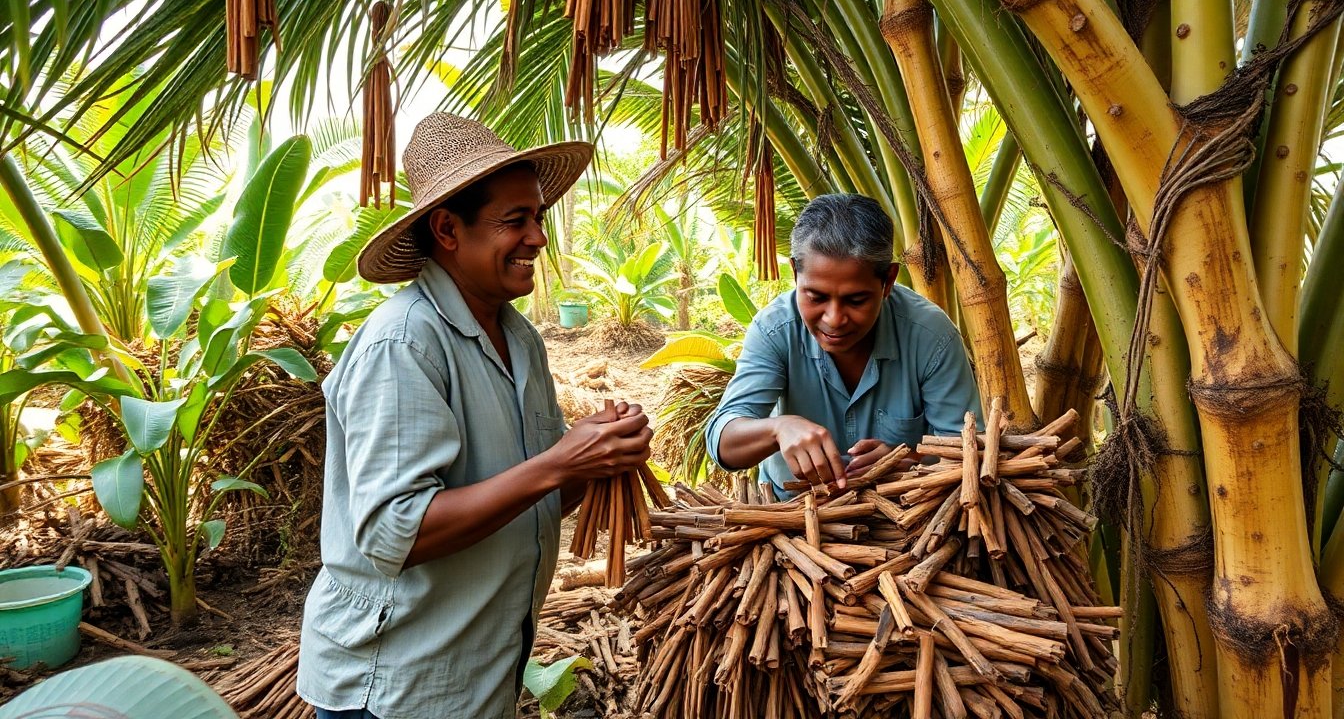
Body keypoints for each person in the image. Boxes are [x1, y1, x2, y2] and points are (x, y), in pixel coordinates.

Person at [297, 112, 653, 719]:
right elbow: (395, 533)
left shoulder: (520, 341)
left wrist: (592, 461)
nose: (538, 237)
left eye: (537, 218)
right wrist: (559, 463)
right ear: (447, 230)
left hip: (476, 677)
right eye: (514, 221)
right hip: (396, 687)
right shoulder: (404, 345)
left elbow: (528, 498)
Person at [705, 193, 981, 497]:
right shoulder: (774, 330)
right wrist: (778, 429)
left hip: (906, 516)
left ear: (888, 281)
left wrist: (910, 461)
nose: (834, 319)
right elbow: (723, 442)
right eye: (817, 297)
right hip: (794, 517)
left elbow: (968, 451)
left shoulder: (931, 336)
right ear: (795, 273)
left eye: (856, 299)